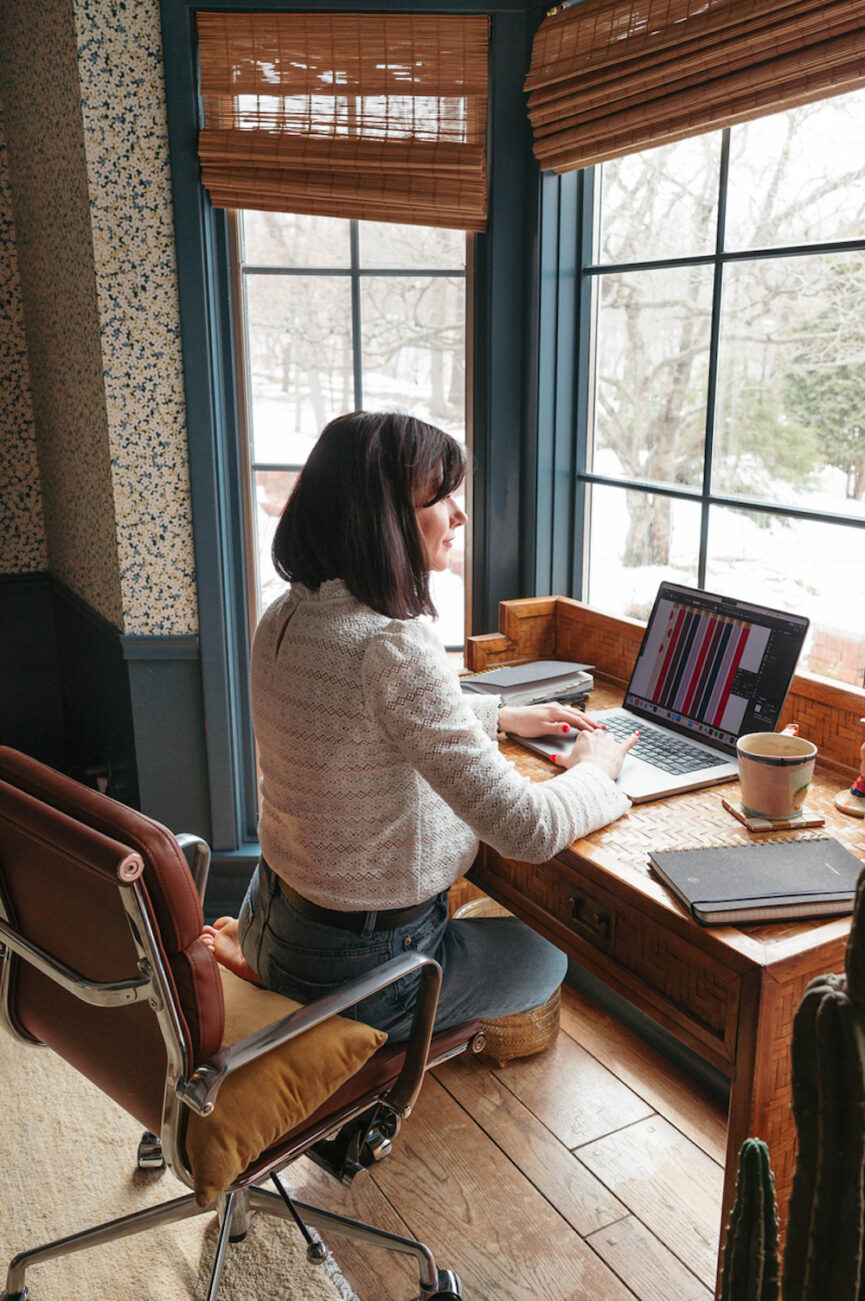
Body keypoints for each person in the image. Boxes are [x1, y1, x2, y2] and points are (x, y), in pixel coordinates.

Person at [204, 411, 637, 1041]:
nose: (459, 515)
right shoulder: (391, 644)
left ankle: (274, 968)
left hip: (273, 913)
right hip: (361, 965)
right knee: (547, 957)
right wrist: (598, 773)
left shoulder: (286, 612)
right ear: (383, 517)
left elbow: (358, 724)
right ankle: (325, 1003)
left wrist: (498, 715)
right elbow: (526, 828)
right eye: (440, 498)